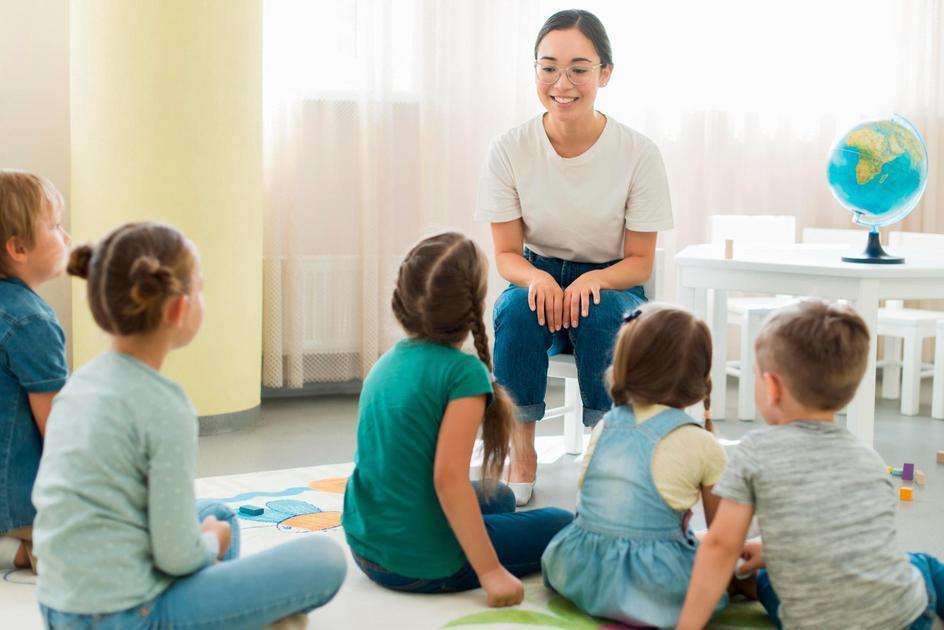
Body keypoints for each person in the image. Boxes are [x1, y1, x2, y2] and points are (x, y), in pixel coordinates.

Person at [32, 222, 346, 628]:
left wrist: (212, 534)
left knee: (218, 512)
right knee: (322, 559)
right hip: (126, 615)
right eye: (199, 288)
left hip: (60, 607)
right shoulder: (164, 405)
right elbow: (176, 556)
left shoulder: (79, 386)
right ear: (179, 309)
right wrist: (211, 542)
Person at [475, 9, 673, 505]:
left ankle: (608, 455)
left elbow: (640, 261)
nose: (562, 83)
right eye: (548, 68)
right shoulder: (509, 148)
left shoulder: (638, 153)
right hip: (536, 274)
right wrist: (537, 279)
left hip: (612, 282)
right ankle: (522, 453)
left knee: (606, 314)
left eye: (579, 69)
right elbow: (505, 253)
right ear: (535, 71)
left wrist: (597, 282)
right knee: (516, 310)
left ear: (605, 73)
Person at [678, 300, 944, 629]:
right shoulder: (868, 457)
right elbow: (851, 543)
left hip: (818, 622)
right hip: (904, 617)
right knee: (925, 566)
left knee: (751, 573)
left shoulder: (755, 452)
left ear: (772, 387)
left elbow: (720, 546)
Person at [342, 232, 574, 608]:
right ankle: (463, 553)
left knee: (498, 495)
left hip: (366, 546)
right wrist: (490, 572)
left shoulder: (384, 363)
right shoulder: (463, 374)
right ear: (478, 305)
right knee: (562, 522)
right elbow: (448, 480)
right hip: (419, 563)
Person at [542, 304, 728, 627]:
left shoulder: (606, 424)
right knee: (739, 567)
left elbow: (585, 505)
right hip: (656, 587)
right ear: (700, 376)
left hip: (580, 571)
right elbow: (721, 538)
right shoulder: (701, 443)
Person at [0, 170, 70, 573]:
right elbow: (59, 432)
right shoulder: (32, 322)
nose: (66, 237)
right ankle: (27, 548)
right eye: (57, 226)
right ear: (19, 248)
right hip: (15, 500)